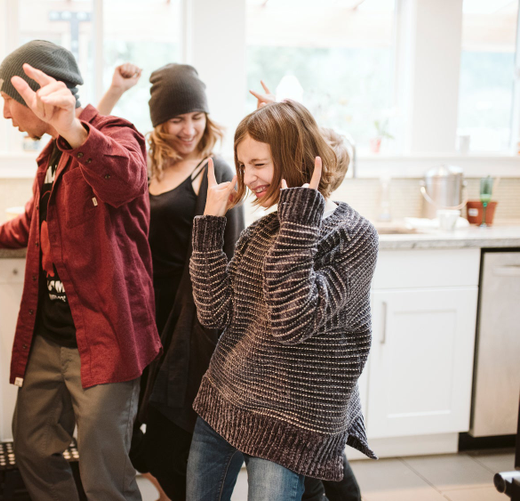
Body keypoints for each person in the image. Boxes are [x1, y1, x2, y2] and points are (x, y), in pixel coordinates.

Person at [0, 40, 161, 501]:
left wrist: (74, 128)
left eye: (8, 100)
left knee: (104, 474)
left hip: (104, 338)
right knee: (33, 447)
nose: (4, 114)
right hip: (48, 334)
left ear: (38, 94)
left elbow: (128, 179)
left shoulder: (116, 134)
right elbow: (34, 221)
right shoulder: (51, 154)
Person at [186, 99, 379, 500]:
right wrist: (209, 225)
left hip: (291, 420)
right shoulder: (260, 233)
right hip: (226, 400)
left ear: (294, 158)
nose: (247, 178)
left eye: (258, 164)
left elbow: (292, 321)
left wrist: (297, 222)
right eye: (242, 166)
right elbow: (213, 313)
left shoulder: (354, 235)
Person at [98, 63, 245, 501]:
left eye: (196, 117)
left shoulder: (214, 170)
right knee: (137, 425)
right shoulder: (144, 161)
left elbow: (228, 252)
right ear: (159, 122)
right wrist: (112, 92)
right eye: (177, 119)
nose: (189, 129)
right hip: (143, 311)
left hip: (190, 319)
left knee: (172, 429)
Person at [250, 83, 363, 501]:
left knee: (324, 464)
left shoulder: (335, 233)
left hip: (320, 378)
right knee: (314, 467)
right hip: (297, 382)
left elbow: (299, 311)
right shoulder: (285, 226)